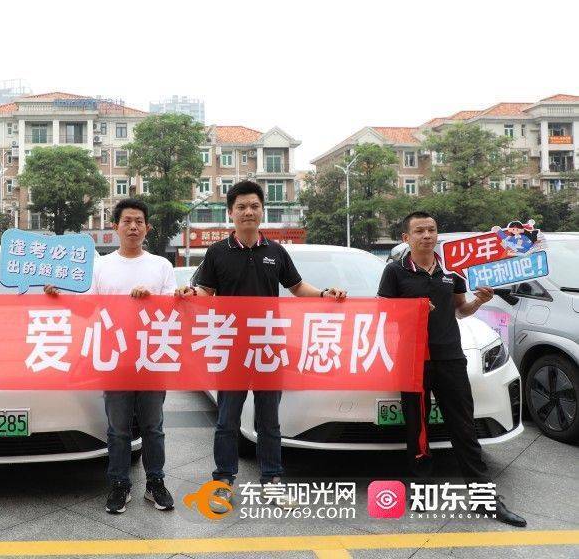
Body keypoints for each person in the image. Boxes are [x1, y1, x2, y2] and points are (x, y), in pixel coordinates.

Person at [175, 180, 347, 513]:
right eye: (241, 207)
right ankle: (223, 481)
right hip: (232, 348)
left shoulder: (276, 252)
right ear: (231, 213)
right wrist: (190, 293)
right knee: (227, 419)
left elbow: (298, 287)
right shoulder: (217, 252)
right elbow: (206, 292)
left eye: (254, 206)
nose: (248, 212)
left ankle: (272, 480)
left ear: (262, 211)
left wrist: (325, 294)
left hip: (268, 348)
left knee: (269, 420)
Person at [378, 211, 526, 527]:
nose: (426, 235)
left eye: (431, 230)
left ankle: (485, 498)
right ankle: (421, 489)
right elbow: (383, 311)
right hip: (413, 359)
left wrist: (479, 301)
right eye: (419, 231)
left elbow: (461, 309)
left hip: (450, 357)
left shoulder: (450, 270)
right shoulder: (395, 271)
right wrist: (412, 309)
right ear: (406, 238)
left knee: (464, 427)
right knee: (417, 429)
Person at [45, 198, 176, 515]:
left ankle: (155, 483)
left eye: (139, 221)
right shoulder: (101, 266)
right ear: (115, 226)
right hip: (114, 358)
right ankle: (119, 485)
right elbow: (87, 309)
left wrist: (151, 298)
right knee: (118, 429)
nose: (133, 227)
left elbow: (173, 307)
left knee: (153, 427)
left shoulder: (161, 265)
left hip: (151, 358)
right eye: (127, 221)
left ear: (147, 228)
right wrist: (58, 298)